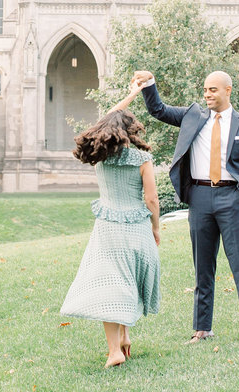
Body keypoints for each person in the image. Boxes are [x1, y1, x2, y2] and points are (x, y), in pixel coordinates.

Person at [135, 69, 239, 345]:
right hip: (199, 198)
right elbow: (158, 110)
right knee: (202, 267)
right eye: (205, 90)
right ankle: (202, 329)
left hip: (232, 198)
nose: (207, 94)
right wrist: (149, 83)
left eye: (213, 90)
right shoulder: (192, 116)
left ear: (227, 90)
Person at [59, 78, 161, 368]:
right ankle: (124, 338)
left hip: (107, 229)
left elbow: (105, 121)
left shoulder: (99, 155)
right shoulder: (142, 158)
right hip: (137, 227)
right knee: (127, 281)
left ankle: (115, 349)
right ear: (131, 130)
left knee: (111, 284)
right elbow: (152, 200)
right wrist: (156, 228)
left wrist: (129, 97)